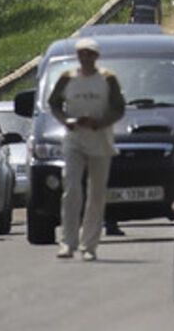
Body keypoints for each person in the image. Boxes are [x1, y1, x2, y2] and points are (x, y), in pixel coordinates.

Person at [47, 38, 125, 261]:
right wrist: (65, 120)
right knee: (71, 189)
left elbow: (119, 108)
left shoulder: (107, 79)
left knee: (96, 193)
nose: (86, 58)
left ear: (96, 57)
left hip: (100, 138)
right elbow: (54, 103)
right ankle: (68, 242)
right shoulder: (67, 78)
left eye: (90, 54)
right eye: (82, 54)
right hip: (74, 138)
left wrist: (100, 122)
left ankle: (89, 245)